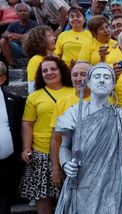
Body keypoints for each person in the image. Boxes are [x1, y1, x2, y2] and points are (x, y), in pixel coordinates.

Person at [54, 63, 122, 214]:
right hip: (83, 181)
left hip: (114, 184)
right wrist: (65, 164)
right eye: (97, 77)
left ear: (113, 84)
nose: (102, 80)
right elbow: (64, 147)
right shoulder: (74, 112)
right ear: (89, 83)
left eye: (107, 77)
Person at [19, 56, 73, 214]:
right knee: (43, 197)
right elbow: (27, 123)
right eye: (45, 70)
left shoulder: (75, 92)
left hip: (69, 152)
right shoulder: (34, 96)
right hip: (42, 152)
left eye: (53, 69)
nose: (49, 72)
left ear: (61, 70)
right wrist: (26, 147)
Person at [49, 61, 91, 190]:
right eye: (75, 75)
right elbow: (56, 139)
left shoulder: (106, 100)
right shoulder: (62, 102)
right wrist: (56, 169)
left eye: (83, 74)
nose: (79, 79)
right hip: (70, 166)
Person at [0, 60, 25, 214]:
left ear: (1, 79)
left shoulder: (14, 101)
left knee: (4, 205)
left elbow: (19, 128)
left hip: (7, 165)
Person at [0, 3, 38, 67]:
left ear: (28, 12)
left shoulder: (34, 24)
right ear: (17, 13)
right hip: (17, 48)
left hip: (29, 48)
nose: (22, 13)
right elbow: (4, 33)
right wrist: (9, 35)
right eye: (20, 11)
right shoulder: (13, 24)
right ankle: (12, 64)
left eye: (24, 11)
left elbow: (34, 37)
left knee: (31, 39)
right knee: (3, 40)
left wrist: (19, 36)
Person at [24, 25, 56, 94]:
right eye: (50, 36)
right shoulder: (35, 60)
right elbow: (33, 88)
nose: (54, 38)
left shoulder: (56, 57)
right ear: (41, 41)